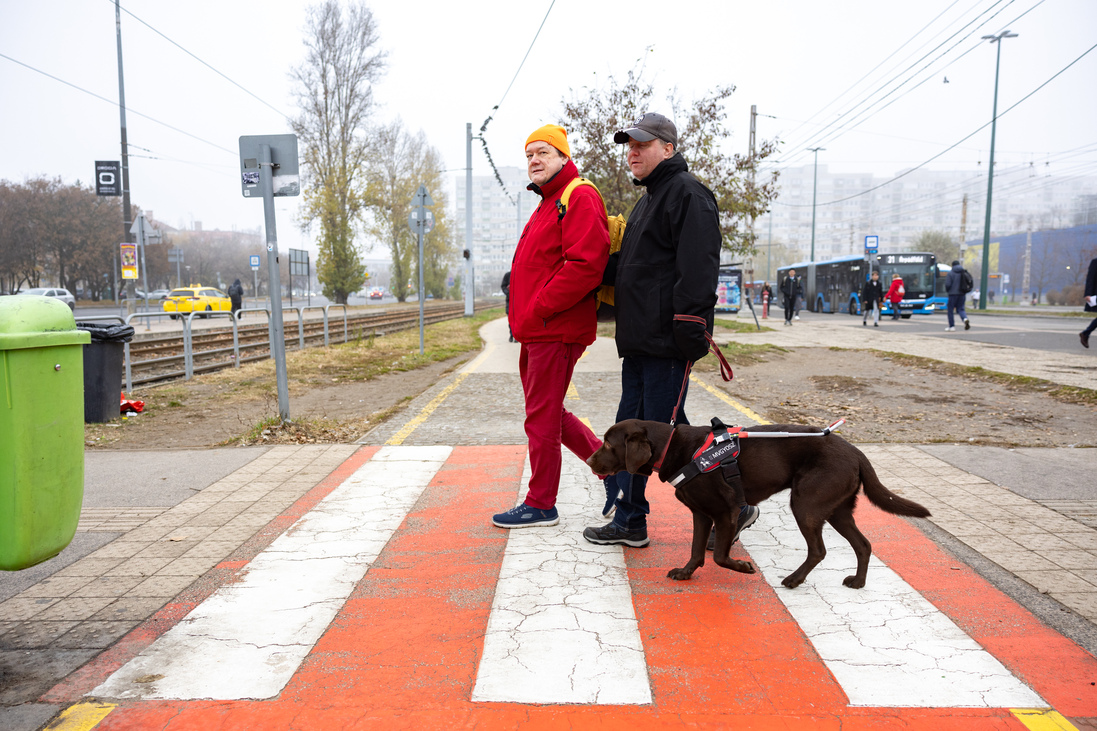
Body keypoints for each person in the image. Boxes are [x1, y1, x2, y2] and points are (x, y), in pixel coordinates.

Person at [583, 112, 759, 549]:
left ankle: (634, 519)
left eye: (642, 144)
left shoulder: (688, 195)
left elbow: (699, 269)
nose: (633, 152)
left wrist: (691, 327)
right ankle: (734, 502)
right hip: (641, 342)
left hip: (666, 341)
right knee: (668, 432)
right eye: (630, 146)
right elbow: (632, 270)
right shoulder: (647, 201)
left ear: (668, 148)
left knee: (647, 437)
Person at [491, 124, 608, 529]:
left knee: (540, 417)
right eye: (529, 155)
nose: (535, 161)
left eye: (543, 152)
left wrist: (540, 307)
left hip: (554, 329)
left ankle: (541, 503)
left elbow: (585, 265)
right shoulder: (547, 203)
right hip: (538, 329)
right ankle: (612, 472)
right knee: (548, 414)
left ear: (562, 157)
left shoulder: (579, 196)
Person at [944, 260, 971, 332]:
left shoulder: (950, 273)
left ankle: (951, 326)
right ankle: (965, 319)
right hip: (962, 294)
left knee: (950, 310)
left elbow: (948, 284)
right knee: (961, 309)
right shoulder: (964, 272)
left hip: (952, 294)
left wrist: (948, 290)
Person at [1080, 256, 1097, 348]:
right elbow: (1090, 278)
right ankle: (1085, 333)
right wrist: (1088, 294)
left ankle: (1085, 333)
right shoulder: (1095, 262)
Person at [500, 270, 514, 342]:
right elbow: (503, 286)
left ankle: (515, 335)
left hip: (519, 300)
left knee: (518, 319)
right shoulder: (508, 275)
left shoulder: (521, 274)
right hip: (509, 300)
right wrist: (508, 293)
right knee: (511, 318)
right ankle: (511, 335)